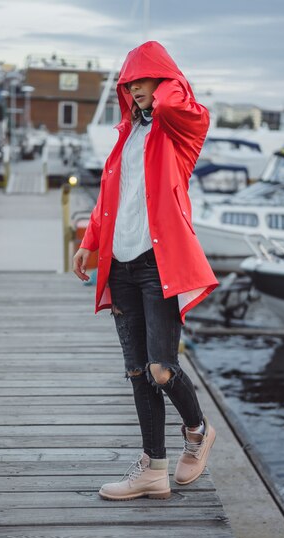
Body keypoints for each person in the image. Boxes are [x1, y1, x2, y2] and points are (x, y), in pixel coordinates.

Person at [73, 41, 219, 501]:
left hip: (159, 267)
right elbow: (110, 201)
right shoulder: (125, 136)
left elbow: (181, 106)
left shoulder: (180, 132)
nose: (134, 88)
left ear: (163, 80)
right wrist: (89, 242)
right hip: (121, 265)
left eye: (143, 78)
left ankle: (197, 431)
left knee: (160, 368)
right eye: (128, 82)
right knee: (138, 372)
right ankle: (153, 468)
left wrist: (164, 86)